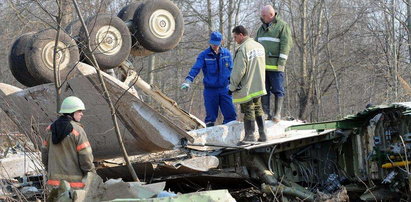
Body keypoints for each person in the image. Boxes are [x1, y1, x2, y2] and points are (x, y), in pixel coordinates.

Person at [41, 96, 95, 199]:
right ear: (72, 112)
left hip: (54, 186)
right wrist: (91, 175)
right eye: (79, 111)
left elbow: (44, 156)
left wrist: (50, 172)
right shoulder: (78, 131)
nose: (82, 114)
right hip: (74, 188)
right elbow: (86, 157)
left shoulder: (50, 130)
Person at [181, 31, 237, 127]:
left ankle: (229, 136)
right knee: (211, 117)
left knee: (231, 115)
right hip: (210, 91)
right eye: (213, 43)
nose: (215, 46)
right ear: (210, 42)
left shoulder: (227, 54)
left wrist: (237, 83)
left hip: (225, 89)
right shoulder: (204, 55)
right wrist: (188, 81)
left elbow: (233, 70)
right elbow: (196, 68)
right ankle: (210, 137)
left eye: (217, 43)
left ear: (221, 42)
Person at [230, 25, 267, 143]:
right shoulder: (259, 46)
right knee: (258, 108)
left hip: (248, 85)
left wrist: (232, 86)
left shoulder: (243, 49)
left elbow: (239, 71)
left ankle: (250, 136)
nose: (235, 40)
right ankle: (263, 135)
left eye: (235, 37)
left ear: (241, 34)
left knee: (249, 109)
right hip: (259, 84)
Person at [256, 5, 293, 122]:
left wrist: (281, 63)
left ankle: (277, 114)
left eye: (264, 16)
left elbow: (285, 46)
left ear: (271, 15)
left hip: (276, 66)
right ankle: (266, 113)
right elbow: (256, 44)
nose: (262, 18)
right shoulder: (261, 28)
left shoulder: (282, 26)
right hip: (262, 66)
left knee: (278, 89)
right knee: (264, 90)